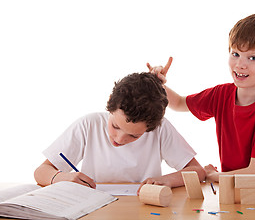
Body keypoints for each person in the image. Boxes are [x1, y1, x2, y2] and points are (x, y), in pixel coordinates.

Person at [147, 14, 255, 182]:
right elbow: (179, 103)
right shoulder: (221, 95)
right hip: (235, 187)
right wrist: (156, 83)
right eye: (235, 54)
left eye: (252, 58)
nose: (240, 64)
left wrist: (214, 175)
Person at [34, 72, 205, 190]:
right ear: (109, 104)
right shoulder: (89, 125)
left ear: (152, 127)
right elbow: (41, 172)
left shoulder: (160, 129)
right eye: (116, 126)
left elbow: (198, 171)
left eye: (134, 135)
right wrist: (61, 177)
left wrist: (167, 180)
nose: (120, 138)